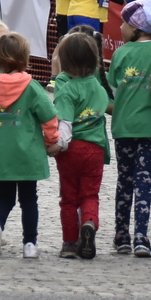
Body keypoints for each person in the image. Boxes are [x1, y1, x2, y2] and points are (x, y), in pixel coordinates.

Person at [0, 32, 59, 259]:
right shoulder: (31, 87)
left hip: (0, 153)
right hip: (28, 154)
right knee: (28, 199)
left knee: (4, 197)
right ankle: (30, 243)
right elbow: (49, 117)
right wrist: (51, 141)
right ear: (25, 56)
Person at [109, 0, 151, 257]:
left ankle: (121, 235)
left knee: (124, 181)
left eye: (124, 22)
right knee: (144, 181)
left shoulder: (120, 54)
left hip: (124, 127)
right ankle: (141, 237)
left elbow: (113, 88)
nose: (121, 27)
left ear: (135, 27)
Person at [50, 31, 110, 259]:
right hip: (95, 150)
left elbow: (64, 126)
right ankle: (89, 222)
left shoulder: (67, 91)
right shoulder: (99, 89)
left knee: (69, 198)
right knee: (90, 194)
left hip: (72, 150)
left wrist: (55, 146)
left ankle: (69, 242)